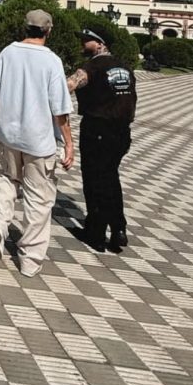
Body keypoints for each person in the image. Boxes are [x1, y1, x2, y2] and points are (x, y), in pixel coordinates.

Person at [0, 9, 74, 278]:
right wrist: (69, 142)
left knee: (7, 179)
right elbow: (60, 109)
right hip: (39, 140)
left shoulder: (9, 52)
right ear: (48, 30)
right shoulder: (51, 60)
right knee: (39, 198)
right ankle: (30, 259)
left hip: (9, 134)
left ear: (25, 28)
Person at [67, 29, 137, 253]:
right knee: (110, 178)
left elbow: (69, 85)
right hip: (122, 131)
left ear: (100, 43)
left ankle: (96, 233)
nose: (81, 42)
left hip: (97, 128)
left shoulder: (93, 66)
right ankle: (118, 229)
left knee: (94, 180)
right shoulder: (125, 67)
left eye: (86, 40)